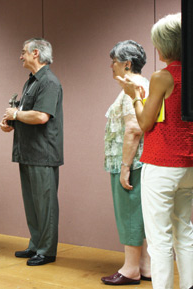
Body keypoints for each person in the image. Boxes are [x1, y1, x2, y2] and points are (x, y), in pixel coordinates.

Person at [118, 13, 193, 289]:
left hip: (162, 164)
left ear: (166, 45)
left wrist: (135, 96)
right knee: (184, 232)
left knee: (159, 239)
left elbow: (145, 122)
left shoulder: (162, 77)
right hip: (189, 165)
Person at [0, 38, 63, 266]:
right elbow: (27, 114)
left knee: (45, 205)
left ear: (35, 53)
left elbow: (41, 116)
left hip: (42, 154)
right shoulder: (30, 82)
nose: (20, 56)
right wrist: (11, 122)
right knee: (32, 204)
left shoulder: (49, 82)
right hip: (27, 152)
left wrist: (15, 115)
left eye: (23, 52)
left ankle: (46, 251)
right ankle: (36, 245)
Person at [101, 40, 151, 285]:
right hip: (141, 162)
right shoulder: (143, 84)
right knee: (138, 213)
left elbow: (133, 129)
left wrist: (124, 168)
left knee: (129, 212)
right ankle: (145, 265)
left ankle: (131, 269)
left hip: (133, 163)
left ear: (127, 64)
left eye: (114, 61)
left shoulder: (133, 87)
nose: (111, 65)